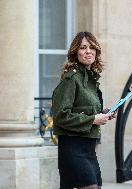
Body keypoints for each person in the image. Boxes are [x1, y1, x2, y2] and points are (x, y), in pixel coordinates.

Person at [52, 31, 116, 189]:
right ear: (75, 53)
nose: (88, 51)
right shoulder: (71, 79)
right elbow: (61, 116)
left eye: (92, 48)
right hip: (72, 147)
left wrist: (105, 113)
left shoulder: (91, 79)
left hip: (89, 148)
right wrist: (93, 119)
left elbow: (87, 110)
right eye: (83, 47)